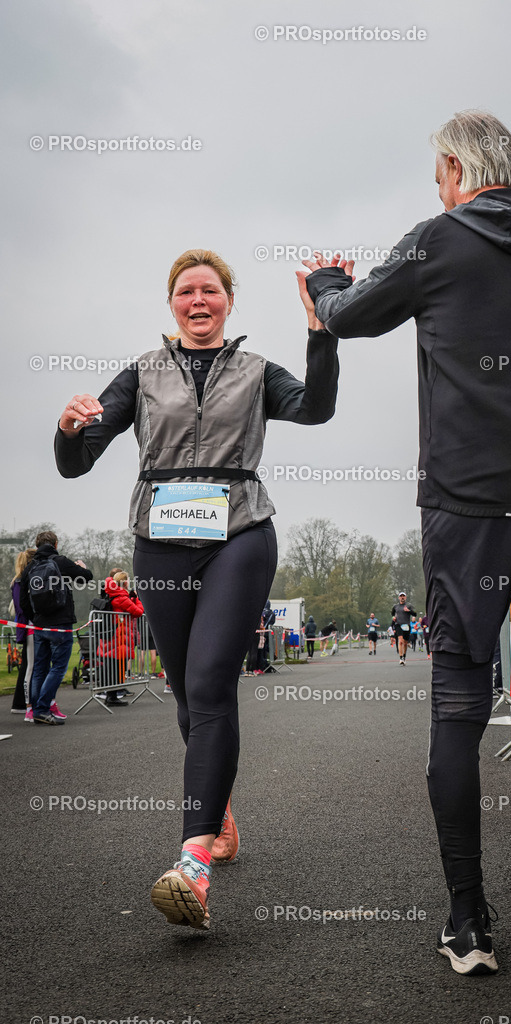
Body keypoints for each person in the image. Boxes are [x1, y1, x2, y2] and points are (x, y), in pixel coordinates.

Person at [301, 111, 511, 981]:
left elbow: (347, 318)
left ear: (454, 168)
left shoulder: (437, 239)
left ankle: (468, 923)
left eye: (435, 176)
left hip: (468, 500)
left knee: (457, 700)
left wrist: (327, 281)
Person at [54, 247, 342, 928]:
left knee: (212, 683)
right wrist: (69, 429)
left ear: (228, 301)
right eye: (186, 291)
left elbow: (317, 409)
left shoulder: (254, 370)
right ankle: (218, 812)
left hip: (239, 530)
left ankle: (193, 860)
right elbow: (77, 459)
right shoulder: (143, 373)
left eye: (210, 290)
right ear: (172, 303)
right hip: (160, 539)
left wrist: (319, 331)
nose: (198, 300)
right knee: (188, 693)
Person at [19, 531, 93, 725]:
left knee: (39, 669)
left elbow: (23, 599)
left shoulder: (30, 567)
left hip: (39, 625)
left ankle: (36, 710)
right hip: (60, 623)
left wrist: (34, 618)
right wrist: (81, 567)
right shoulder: (60, 561)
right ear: (56, 544)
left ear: (36, 545)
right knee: (58, 667)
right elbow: (86, 577)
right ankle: (43, 708)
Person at [96, 572, 144, 706]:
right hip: (119, 638)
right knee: (117, 668)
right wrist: (137, 599)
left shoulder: (110, 594)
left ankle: (111, 695)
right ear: (124, 583)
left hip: (111, 637)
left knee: (112, 666)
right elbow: (138, 612)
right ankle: (112, 697)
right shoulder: (121, 597)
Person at [10, 548, 36, 719]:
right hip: (29, 627)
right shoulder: (20, 581)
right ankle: (25, 704)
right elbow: (21, 607)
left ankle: (25, 703)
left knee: (30, 665)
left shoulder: (20, 580)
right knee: (30, 666)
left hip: (30, 626)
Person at [391, 592, 416, 666]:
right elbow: (392, 613)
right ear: (399, 597)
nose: (402, 597)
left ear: (405, 597)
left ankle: (404, 656)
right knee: (400, 641)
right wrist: (393, 618)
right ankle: (401, 658)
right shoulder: (395, 606)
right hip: (398, 625)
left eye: (403, 596)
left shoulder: (409, 605)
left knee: (405, 643)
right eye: (401, 596)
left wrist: (409, 611)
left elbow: (415, 614)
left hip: (406, 625)